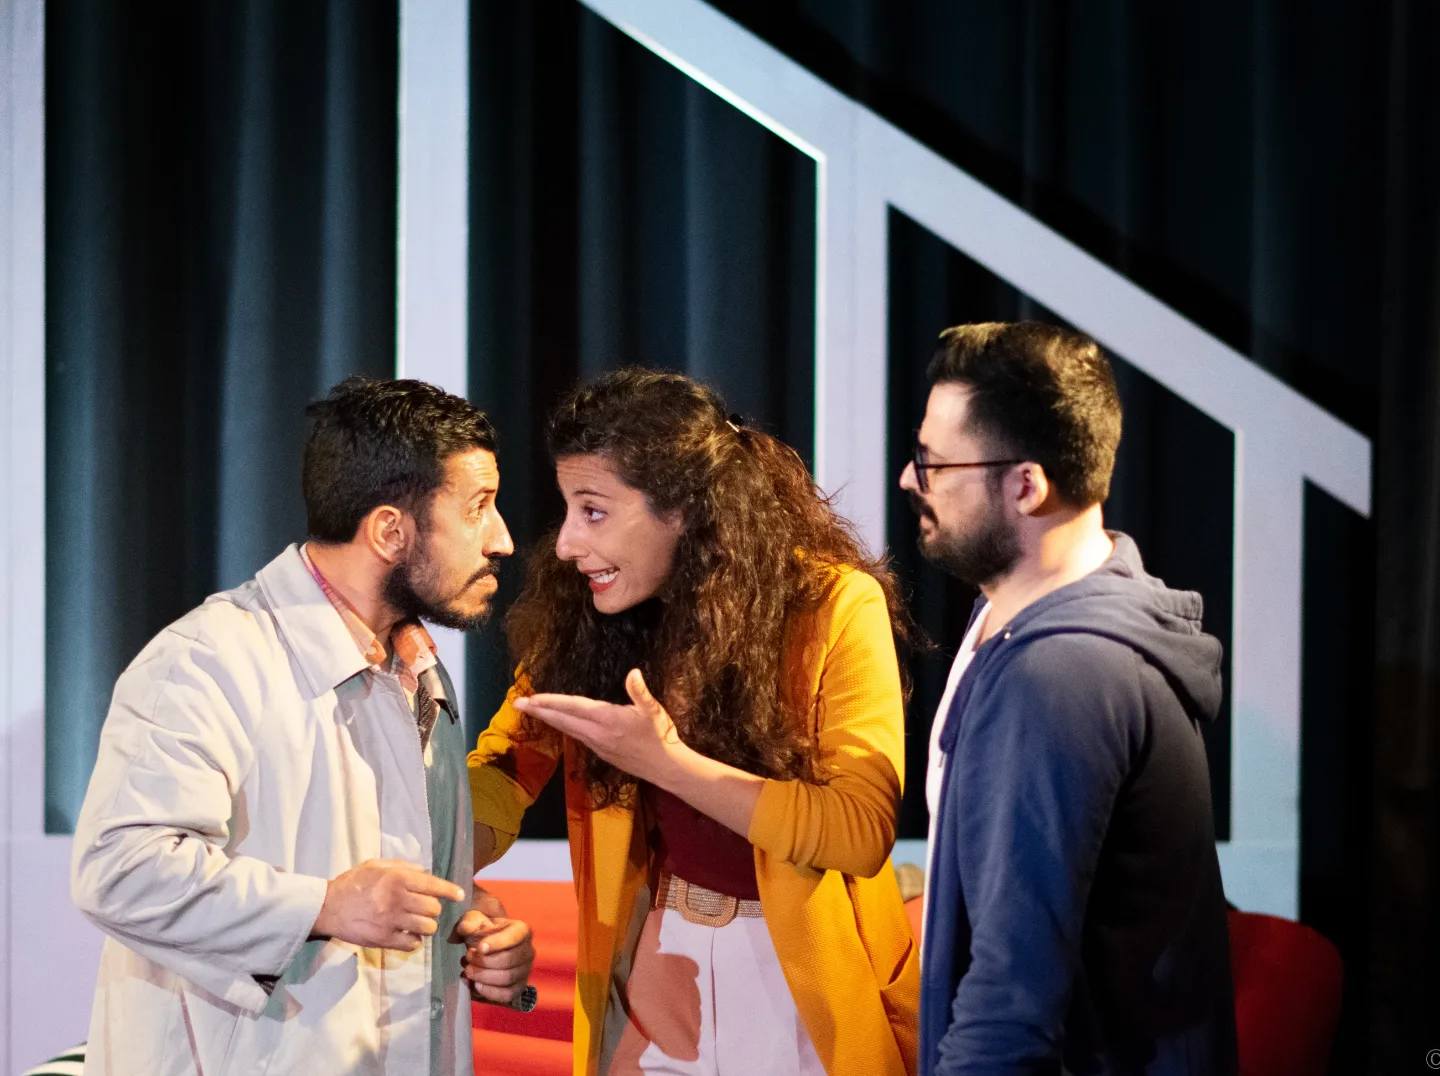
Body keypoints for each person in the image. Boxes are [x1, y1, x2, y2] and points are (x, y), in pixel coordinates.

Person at [71, 377, 535, 1075]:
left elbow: (380, 879)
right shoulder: (208, 658)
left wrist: (477, 930)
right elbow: (119, 869)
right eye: (478, 508)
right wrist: (322, 905)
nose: (502, 539)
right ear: (390, 530)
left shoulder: (421, 672)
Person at [466, 369, 919, 1075]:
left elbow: (858, 831)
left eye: (594, 512)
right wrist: (419, 859)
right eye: (568, 511)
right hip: (658, 972)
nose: (565, 545)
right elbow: (502, 771)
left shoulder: (834, 604)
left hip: (807, 991)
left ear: (682, 509)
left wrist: (669, 765)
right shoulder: (590, 622)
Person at [899, 323, 1237, 1074]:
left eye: (932, 462)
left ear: (1026, 485)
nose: (908, 480)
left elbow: (1011, 997)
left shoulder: (1057, 679)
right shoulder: (1012, 619)